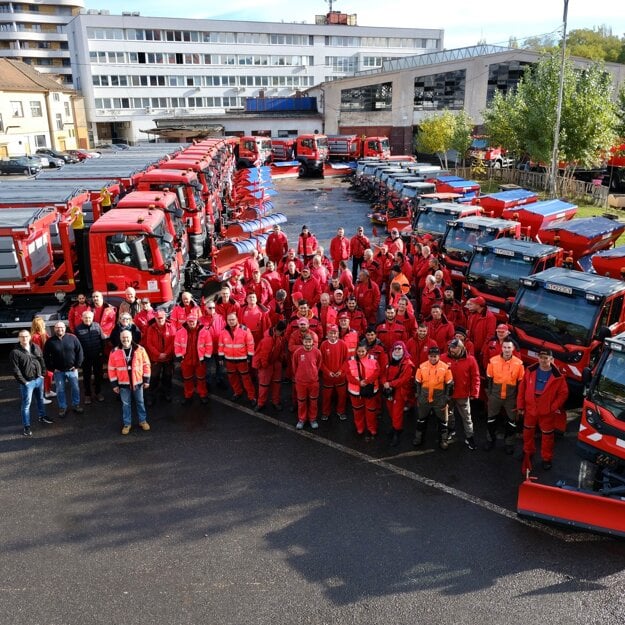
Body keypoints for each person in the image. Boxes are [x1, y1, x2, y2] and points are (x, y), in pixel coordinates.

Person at [517, 348, 569, 472]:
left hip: (547, 411)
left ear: (552, 359)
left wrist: (553, 407)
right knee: (527, 432)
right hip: (530, 407)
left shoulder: (558, 377)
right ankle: (528, 451)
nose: (543, 360)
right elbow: (522, 389)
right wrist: (520, 405)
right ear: (538, 358)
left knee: (547, 436)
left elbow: (564, 393)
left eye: (546, 358)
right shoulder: (530, 370)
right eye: (541, 357)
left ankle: (546, 459)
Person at [485, 338, 525, 454]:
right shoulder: (493, 361)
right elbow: (489, 380)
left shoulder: (519, 363)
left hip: (511, 397)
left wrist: (518, 399)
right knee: (491, 419)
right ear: (501, 347)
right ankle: (490, 440)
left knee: (511, 422)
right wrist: (491, 395)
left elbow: (521, 383)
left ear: (512, 349)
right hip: (495, 395)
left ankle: (509, 444)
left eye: (509, 347)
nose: (507, 350)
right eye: (505, 347)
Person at [108, 329, 151, 435]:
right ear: (120, 338)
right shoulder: (114, 351)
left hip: (138, 382)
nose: (125, 339)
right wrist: (114, 385)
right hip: (123, 384)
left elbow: (146, 365)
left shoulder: (140, 349)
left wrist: (146, 380)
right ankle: (127, 424)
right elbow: (111, 369)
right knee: (126, 405)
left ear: (131, 338)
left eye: (127, 337)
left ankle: (143, 421)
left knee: (140, 402)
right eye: (123, 337)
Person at [10, 329, 52, 436]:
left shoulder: (35, 347)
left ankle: (42, 417)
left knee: (40, 399)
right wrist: (24, 382)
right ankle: (26, 426)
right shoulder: (15, 352)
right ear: (19, 338)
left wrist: (42, 374)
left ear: (30, 337)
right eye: (22, 337)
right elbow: (16, 370)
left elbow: (41, 360)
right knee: (26, 404)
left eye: (26, 336)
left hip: (38, 379)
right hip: (27, 383)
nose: (24, 338)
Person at [441, 338, 480, 450]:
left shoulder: (471, 360)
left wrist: (475, 392)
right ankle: (450, 430)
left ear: (462, 348)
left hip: (463, 394)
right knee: (448, 414)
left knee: (466, 417)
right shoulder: (443, 358)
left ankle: (470, 437)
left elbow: (475, 377)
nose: (451, 349)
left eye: (454, 347)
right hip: (448, 394)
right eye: (450, 347)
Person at [413, 346, 454, 450]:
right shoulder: (421, 366)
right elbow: (417, 383)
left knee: (443, 421)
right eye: (431, 356)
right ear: (428, 356)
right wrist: (418, 396)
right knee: (421, 420)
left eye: (435, 356)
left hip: (439, 399)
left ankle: (443, 441)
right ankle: (418, 438)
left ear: (439, 356)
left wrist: (446, 398)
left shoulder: (445, 367)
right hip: (424, 398)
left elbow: (450, 384)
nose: (433, 358)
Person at [43, 321, 84, 418]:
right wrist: (52, 368)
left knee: (75, 388)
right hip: (59, 372)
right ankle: (62, 407)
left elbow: (80, 352)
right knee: (60, 390)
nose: (59, 329)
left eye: (61, 327)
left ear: (65, 328)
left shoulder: (72, 338)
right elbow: (45, 357)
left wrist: (77, 365)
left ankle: (76, 404)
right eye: (57, 327)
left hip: (72, 370)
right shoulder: (50, 341)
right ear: (54, 329)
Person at [381, 341, 415, 447]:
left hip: (399, 391)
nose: (397, 350)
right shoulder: (389, 359)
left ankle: (397, 432)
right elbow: (382, 373)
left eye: (399, 349)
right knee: (390, 410)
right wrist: (384, 383)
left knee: (397, 413)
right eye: (395, 348)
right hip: (389, 390)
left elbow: (404, 379)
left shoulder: (408, 364)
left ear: (403, 350)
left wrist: (390, 384)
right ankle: (395, 426)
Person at [218, 312, 256, 405]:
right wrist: (220, 357)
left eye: (233, 319)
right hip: (229, 359)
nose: (231, 321)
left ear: (237, 320)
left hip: (242, 359)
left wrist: (250, 356)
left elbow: (250, 344)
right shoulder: (223, 332)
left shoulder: (245, 330)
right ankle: (237, 392)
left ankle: (252, 397)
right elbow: (221, 345)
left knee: (246, 379)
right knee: (232, 378)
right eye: (229, 320)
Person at [345, 342, 381, 440]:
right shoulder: (349, 361)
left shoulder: (373, 360)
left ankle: (372, 428)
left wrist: (366, 381)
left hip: (370, 390)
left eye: (363, 351)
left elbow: (377, 372)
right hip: (355, 391)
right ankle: (360, 427)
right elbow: (348, 375)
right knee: (358, 411)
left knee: (371, 411)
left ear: (367, 351)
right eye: (359, 351)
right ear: (356, 351)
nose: (361, 353)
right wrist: (358, 383)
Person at [174, 311, 210, 405]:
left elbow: (209, 345)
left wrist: (206, 356)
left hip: (200, 360)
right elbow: (177, 345)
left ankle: (203, 395)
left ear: (197, 321)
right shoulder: (180, 332)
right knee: (187, 380)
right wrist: (179, 357)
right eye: (189, 321)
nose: (191, 323)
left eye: (193, 321)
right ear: (187, 321)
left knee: (201, 379)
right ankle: (188, 396)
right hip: (186, 360)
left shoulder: (204, 331)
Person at [253, 321, 287, 411]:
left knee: (276, 384)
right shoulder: (268, 339)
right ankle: (261, 403)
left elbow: (281, 350)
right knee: (264, 385)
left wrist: (281, 359)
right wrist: (264, 366)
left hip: (275, 362)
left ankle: (275, 402)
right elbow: (264, 355)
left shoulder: (279, 337)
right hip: (267, 364)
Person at [144, 308, 176, 404]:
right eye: (158, 318)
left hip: (168, 357)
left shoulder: (171, 326)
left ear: (165, 317)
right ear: (155, 318)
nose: (160, 320)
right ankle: (151, 395)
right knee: (154, 377)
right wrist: (159, 354)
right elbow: (149, 344)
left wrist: (166, 353)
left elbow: (173, 342)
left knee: (168, 376)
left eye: (162, 318)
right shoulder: (151, 328)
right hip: (155, 358)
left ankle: (166, 393)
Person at [74, 310, 106, 404]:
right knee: (86, 377)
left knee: (98, 375)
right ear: (82, 318)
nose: (88, 319)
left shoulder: (97, 326)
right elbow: (76, 345)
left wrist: (101, 353)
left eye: (89, 317)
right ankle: (87, 395)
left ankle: (98, 393)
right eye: (86, 318)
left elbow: (102, 340)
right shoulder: (78, 329)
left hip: (97, 356)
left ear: (92, 318)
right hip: (85, 358)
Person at [292, 333, 322, 430]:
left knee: (313, 402)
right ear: (302, 342)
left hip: (313, 382)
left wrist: (313, 376)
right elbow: (294, 366)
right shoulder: (297, 352)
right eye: (306, 341)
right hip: (301, 382)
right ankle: (302, 419)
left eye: (310, 341)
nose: (308, 344)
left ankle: (312, 419)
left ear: (313, 342)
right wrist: (299, 376)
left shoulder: (317, 352)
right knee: (301, 402)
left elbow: (318, 365)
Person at [319, 324, 348, 422]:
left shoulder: (343, 344)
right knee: (326, 396)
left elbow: (346, 360)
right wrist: (327, 372)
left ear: (338, 334)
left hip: (340, 376)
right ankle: (325, 413)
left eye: (335, 333)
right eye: (331, 332)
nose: (333, 335)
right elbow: (320, 362)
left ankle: (341, 411)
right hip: (328, 377)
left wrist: (340, 371)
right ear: (327, 333)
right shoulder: (323, 345)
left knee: (342, 396)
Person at [30, 317, 54, 401]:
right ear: (39, 325)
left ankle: (47, 391)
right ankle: (41, 397)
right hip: (40, 360)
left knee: (49, 375)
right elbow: (37, 351)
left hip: (46, 358)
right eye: (43, 322)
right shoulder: (36, 337)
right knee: (42, 377)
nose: (44, 324)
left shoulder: (43, 333)